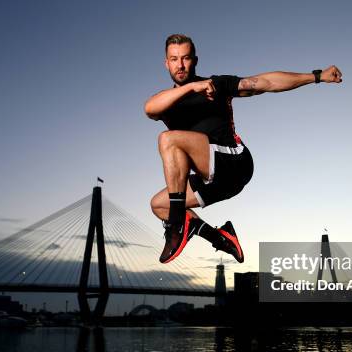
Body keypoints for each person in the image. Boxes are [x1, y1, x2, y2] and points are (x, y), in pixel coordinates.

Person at [145, 34, 342, 264]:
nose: (180, 65)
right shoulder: (166, 100)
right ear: (166, 63)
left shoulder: (216, 84)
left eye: (186, 58)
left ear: (195, 60)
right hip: (213, 181)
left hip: (234, 163)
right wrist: (191, 88)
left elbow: (265, 83)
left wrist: (317, 76)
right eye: (174, 59)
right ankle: (221, 238)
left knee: (168, 139)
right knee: (159, 205)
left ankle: (177, 226)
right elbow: (150, 108)